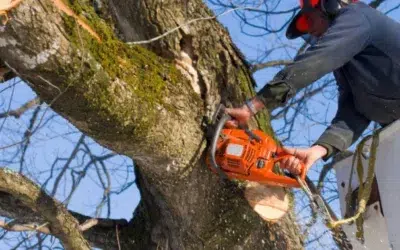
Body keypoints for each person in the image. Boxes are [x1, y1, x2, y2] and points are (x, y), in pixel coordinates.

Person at [226, 0, 400, 175]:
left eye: (308, 20)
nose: (309, 30)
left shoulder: (359, 16)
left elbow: (316, 61)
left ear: (329, 6)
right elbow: (354, 112)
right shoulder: (348, 65)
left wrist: (253, 106)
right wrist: (318, 150)